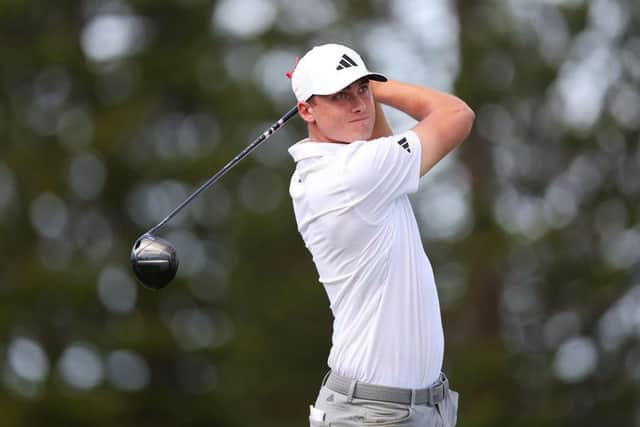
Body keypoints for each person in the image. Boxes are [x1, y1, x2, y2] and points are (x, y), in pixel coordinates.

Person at [287, 43, 474, 427]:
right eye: (340, 96)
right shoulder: (354, 173)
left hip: (416, 408)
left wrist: (354, 86)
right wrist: (378, 86)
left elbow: (376, 138)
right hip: (374, 415)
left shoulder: (340, 164)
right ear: (307, 110)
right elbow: (457, 114)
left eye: (361, 91)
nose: (359, 104)